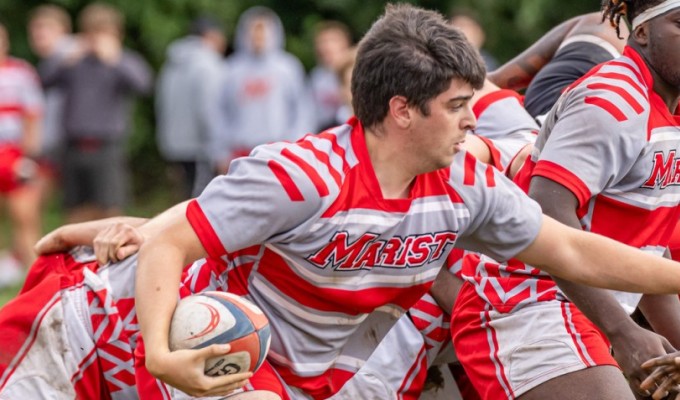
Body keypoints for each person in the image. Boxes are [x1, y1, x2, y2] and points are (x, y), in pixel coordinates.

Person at [129, 3, 680, 399]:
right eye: (459, 104)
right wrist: (160, 353)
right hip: (224, 355)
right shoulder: (302, 175)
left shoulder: (467, 184)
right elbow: (170, 241)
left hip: (335, 371)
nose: (472, 118)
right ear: (402, 110)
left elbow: (572, 251)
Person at [449, 1, 680, 399]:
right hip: (527, 300)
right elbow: (548, 217)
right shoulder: (613, 102)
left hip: (585, 304)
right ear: (640, 32)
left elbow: (646, 255)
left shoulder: (667, 113)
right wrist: (623, 332)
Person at [41, 3, 153, 223]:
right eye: (92, 33)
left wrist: (116, 59)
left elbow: (144, 85)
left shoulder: (122, 61)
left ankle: (112, 257)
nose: (96, 40)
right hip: (73, 146)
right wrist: (65, 59)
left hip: (106, 146)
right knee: (75, 211)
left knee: (110, 210)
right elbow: (44, 80)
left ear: (116, 35)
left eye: (103, 33)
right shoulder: (73, 61)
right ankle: (77, 257)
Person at [213, 6, 312, 175]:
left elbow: (303, 109)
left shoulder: (288, 68)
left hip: (279, 153)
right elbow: (219, 112)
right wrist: (219, 152)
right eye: (253, 31)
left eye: (262, 31)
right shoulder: (231, 70)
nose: (257, 37)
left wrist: (298, 146)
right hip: (240, 154)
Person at [156, 16, 226, 199]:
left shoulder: (171, 63)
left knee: (182, 202)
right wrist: (219, 147)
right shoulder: (208, 63)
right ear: (211, 35)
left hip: (174, 146)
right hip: (201, 147)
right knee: (200, 205)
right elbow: (209, 109)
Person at [0, 21, 44, 285]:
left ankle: (34, 277)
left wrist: (30, 156)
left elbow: (33, 116)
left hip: (14, 153)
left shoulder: (21, 73)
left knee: (25, 215)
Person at [308, 21, 353, 131]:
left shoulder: (354, 70)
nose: (327, 46)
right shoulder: (316, 77)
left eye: (332, 40)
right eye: (323, 42)